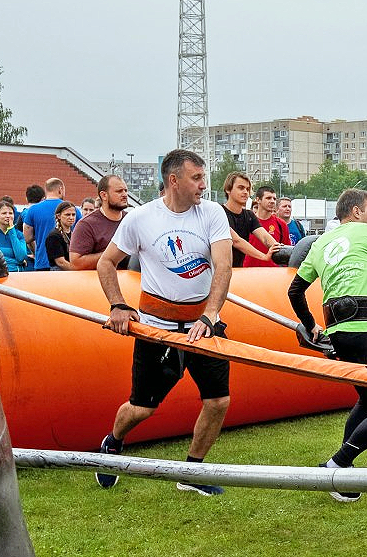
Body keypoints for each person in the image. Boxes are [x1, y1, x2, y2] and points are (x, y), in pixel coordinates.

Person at [93, 149, 233, 496]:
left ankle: (191, 471)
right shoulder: (141, 219)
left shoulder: (212, 213)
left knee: (218, 401)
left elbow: (224, 267)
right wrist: (118, 306)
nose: (204, 185)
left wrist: (210, 314)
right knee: (142, 407)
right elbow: (106, 264)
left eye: (204, 177)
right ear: (174, 180)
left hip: (203, 325)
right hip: (158, 329)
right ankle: (113, 442)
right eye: (196, 178)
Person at [288, 189, 367, 503]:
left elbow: (294, 291)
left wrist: (312, 325)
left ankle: (341, 474)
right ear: (355, 211)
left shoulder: (320, 242)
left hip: (337, 331)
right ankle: (336, 464)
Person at [221, 173, 282, 268]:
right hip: (217, 270)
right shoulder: (218, 212)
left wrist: (279, 249)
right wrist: (264, 256)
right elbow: (237, 241)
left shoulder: (249, 215)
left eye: (248, 189)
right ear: (228, 189)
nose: (245, 192)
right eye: (241, 188)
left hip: (238, 271)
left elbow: (265, 237)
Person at [70, 174, 129, 271]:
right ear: (104, 195)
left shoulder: (131, 220)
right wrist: (116, 254)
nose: (124, 194)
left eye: (126, 190)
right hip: (99, 283)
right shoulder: (86, 224)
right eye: (119, 191)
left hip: (132, 282)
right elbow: (76, 263)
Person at [24, 178, 81, 270]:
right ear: (60, 189)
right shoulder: (73, 210)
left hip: (42, 262)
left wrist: (41, 233)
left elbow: (27, 238)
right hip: (67, 262)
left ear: (46, 190)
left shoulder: (33, 210)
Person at [243, 186, 291, 268]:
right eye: (268, 198)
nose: (272, 201)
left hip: (272, 274)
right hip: (248, 273)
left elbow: (286, 252)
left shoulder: (281, 224)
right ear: (258, 200)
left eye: (274, 199)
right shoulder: (246, 222)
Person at [0, 200, 29, 271]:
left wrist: (11, 230)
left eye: (10, 213)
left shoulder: (19, 234)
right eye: (4, 213)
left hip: (16, 274)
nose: (8, 216)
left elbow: (21, 257)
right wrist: (16, 262)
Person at [43, 201, 77, 271]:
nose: (71, 217)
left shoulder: (74, 234)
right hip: (59, 273)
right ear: (59, 216)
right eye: (67, 215)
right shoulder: (54, 236)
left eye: (73, 215)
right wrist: (77, 270)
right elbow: (60, 262)